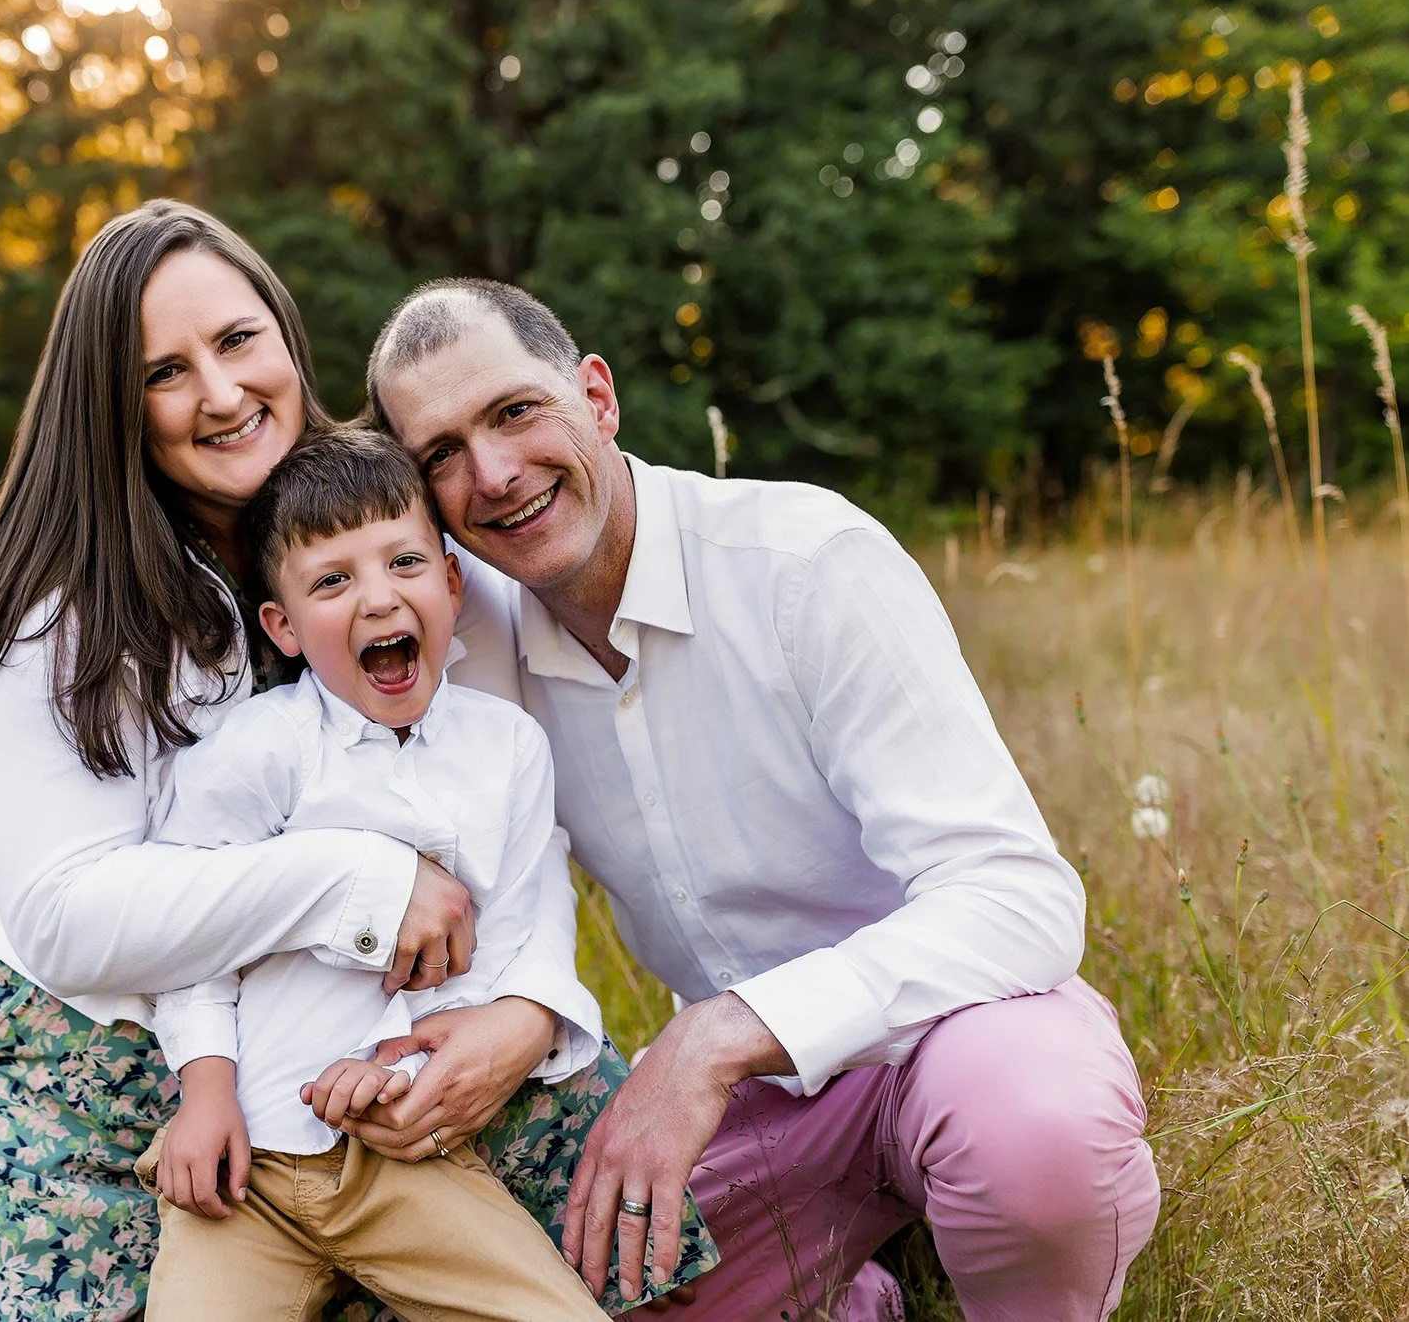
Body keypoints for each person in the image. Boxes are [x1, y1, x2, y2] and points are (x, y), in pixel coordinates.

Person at [0, 204, 676, 1320]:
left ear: (284, 331)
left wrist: (528, 1005)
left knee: (595, 1195)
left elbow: (512, 810)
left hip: (345, 1038)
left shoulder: (369, 509)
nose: (219, 393)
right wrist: (359, 878)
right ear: (113, 406)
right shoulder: (65, 609)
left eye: (235, 341)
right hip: (72, 1059)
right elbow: (66, 915)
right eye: (164, 371)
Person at [363, 278, 1160, 1322]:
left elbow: (1016, 897)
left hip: (950, 1038)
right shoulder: (472, 647)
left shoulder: (803, 564)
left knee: (1033, 1137)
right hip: (756, 1109)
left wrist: (715, 1036)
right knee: (559, 1289)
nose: (496, 473)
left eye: (515, 411)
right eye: (441, 455)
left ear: (596, 398)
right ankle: (856, 1291)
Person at [134, 427, 715, 1319]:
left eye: (404, 563)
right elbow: (189, 931)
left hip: (409, 1163)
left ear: (449, 584)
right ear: (281, 627)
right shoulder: (260, 751)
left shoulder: (507, 750)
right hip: (246, 1165)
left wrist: (396, 1074)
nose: (377, 600)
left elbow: (514, 940)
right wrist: (205, 1091)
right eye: (333, 581)